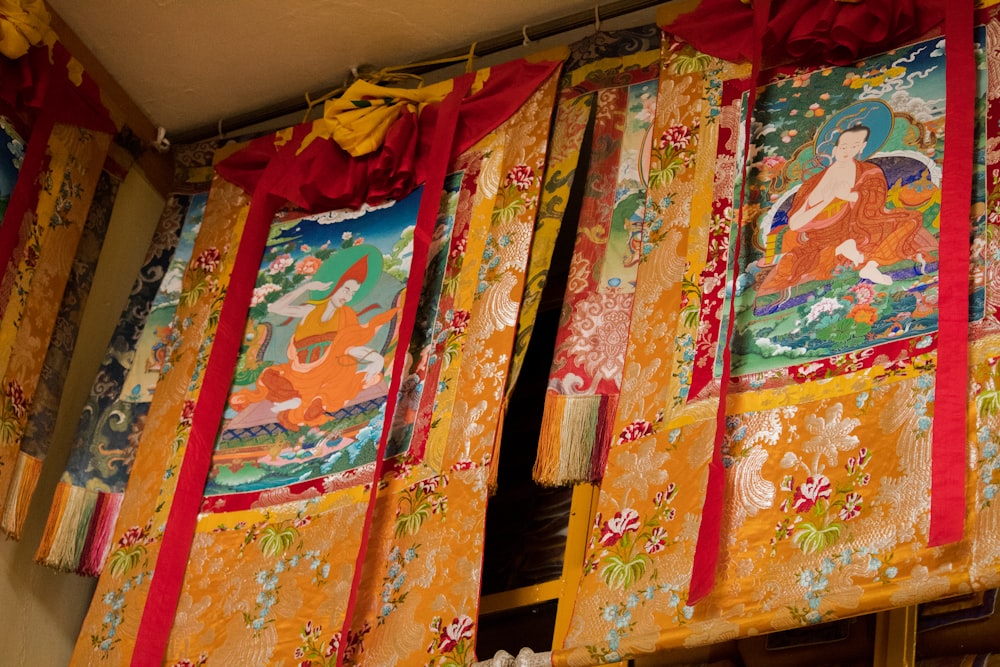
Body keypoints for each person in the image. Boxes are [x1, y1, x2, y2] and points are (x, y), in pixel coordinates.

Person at [757, 124, 937, 296]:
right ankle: (839, 251)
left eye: (854, 146)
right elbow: (795, 223)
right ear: (834, 149)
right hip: (823, 237)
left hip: (860, 225)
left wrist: (850, 197)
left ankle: (872, 265)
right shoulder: (813, 183)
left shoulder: (869, 172)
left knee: (909, 220)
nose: (847, 150)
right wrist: (825, 201)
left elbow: (874, 204)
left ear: (862, 147)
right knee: (793, 263)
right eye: (843, 146)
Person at [230, 251, 399, 431]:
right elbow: (276, 307)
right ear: (335, 287)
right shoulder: (310, 310)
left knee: (343, 379)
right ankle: (300, 399)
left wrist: (376, 359)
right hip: (298, 370)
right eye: (346, 289)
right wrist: (306, 287)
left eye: (353, 293)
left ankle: (313, 401)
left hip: (328, 368)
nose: (348, 296)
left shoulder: (346, 315)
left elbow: (348, 346)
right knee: (269, 376)